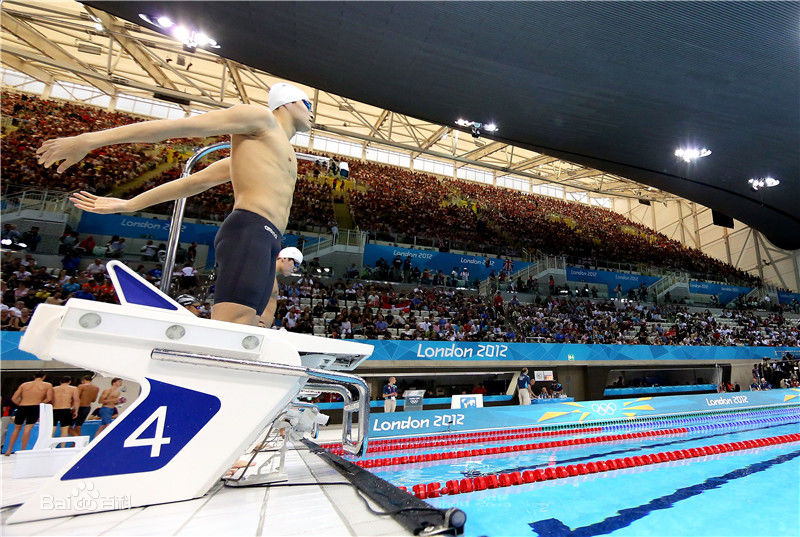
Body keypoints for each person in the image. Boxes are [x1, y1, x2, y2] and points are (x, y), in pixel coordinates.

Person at [41, 81, 313, 326]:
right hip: (249, 229)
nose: (311, 112)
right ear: (287, 102)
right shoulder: (260, 118)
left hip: (270, 238)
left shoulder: (269, 150)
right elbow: (178, 127)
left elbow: (196, 182)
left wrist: (130, 204)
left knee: (253, 323)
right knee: (235, 322)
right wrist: (88, 140)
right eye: (307, 104)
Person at [4, 371, 53, 455]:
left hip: (22, 406)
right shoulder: (47, 385)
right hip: (34, 407)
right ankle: (23, 450)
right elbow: (49, 398)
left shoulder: (24, 385)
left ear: (34, 376)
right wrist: (40, 403)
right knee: (27, 429)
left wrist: (20, 404)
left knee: (16, 429)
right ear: (44, 376)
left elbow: (14, 398)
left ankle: (9, 450)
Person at [259, 246, 304, 328]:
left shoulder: (272, 277)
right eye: (296, 264)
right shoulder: (263, 273)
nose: (295, 269)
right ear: (284, 258)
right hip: (255, 325)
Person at [51, 376, 79, 444]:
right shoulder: (73, 388)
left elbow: (51, 400)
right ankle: (62, 447)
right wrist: (76, 411)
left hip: (55, 410)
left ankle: (49, 446)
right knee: (64, 431)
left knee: (52, 430)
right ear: (69, 381)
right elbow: (76, 400)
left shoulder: (54, 389)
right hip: (65, 410)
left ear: (60, 381)